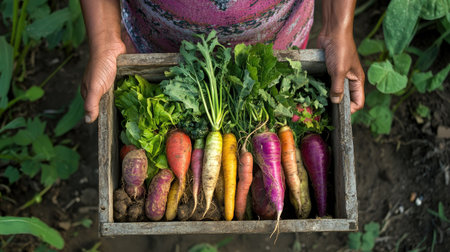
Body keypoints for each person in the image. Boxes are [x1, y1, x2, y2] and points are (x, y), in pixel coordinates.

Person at [80, 0, 365, 124]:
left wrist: (338, 26)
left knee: (270, 80)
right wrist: (105, 38)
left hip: (278, 32)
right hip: (157, 36)